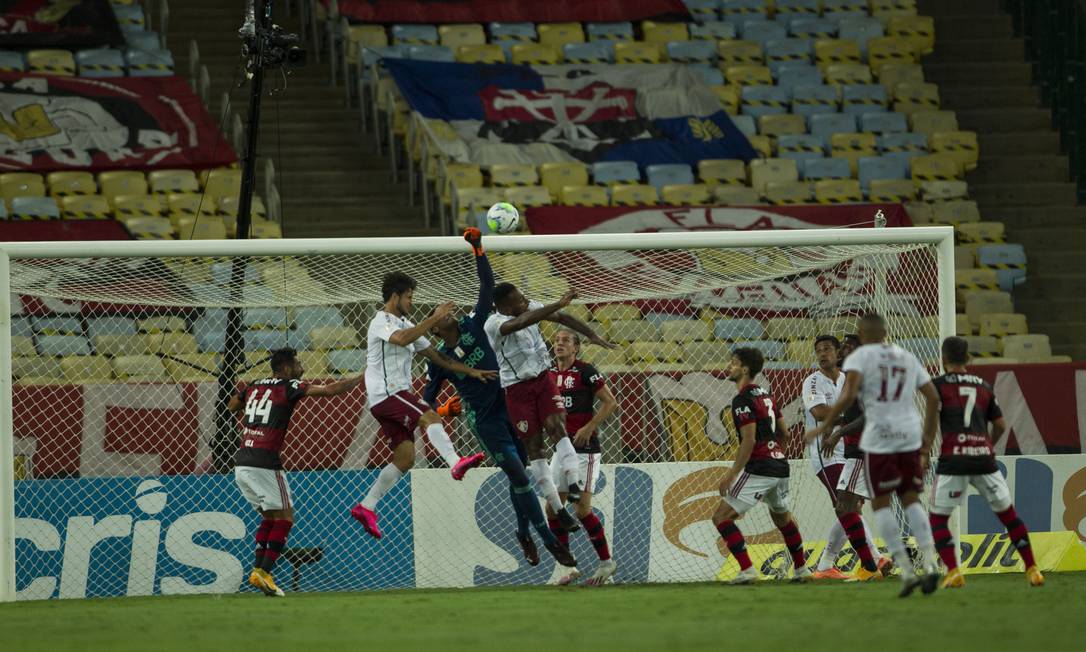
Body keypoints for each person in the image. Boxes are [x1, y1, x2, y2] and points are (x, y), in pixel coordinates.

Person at [423, 229, 577, 568]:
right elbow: (426, 400)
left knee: (521, 472)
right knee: (520, 478)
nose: (448, 311)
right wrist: (443, 412)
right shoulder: (438, 359)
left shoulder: (475, 325)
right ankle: (550, 541)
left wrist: (478, 248)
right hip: (486, 421)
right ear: (434, 328)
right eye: (438, 312)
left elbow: (485, 286)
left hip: (512, 404)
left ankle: (523, 532)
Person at [350, 271, 496, 539]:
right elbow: (402, 339)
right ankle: (454, 462)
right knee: (431, 416)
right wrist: (435, 318)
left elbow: (437, 356)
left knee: (405, 458)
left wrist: (470, 371)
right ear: (395, 297)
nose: (411, 302)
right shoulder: (380, 321)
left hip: (389, 397)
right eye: (408, 297)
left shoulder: (406, 322)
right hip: (388, 393)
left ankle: (366, 506)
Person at [804, 313, 942, 597]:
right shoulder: (905, 357)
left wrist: (830, 431)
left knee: (854, 505)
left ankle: (879, 566)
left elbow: (859, 410)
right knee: (908, 501)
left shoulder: (860, 365)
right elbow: (932, 397)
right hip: (908, 438)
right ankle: (928, 565)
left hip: (872, 444)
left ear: (864, 337)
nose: (843, 350)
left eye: (847, 344)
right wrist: (926, 445)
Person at [484, 278, 614, 536]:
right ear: (505, 307)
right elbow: (521, 322)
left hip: (543, 380)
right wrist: (558, 302)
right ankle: (559, 508)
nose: (525, 302)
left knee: (557, 427)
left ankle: (574, 483)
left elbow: (562, 317)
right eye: (519, 301)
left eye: (523, 298)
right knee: (535, 447)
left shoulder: (527, 307)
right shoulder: (494, 323)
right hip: (517, 390)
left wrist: (591, 334)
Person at [229, 348, 363, 597]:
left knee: (270, 517)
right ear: (286, 368)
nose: (301, 366)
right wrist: (360, 378)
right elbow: (330, 390)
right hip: (265, 461)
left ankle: (259, 572)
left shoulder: (254, 384)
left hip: (242, 460)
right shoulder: (290, 385)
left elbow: (232, 404)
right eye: (297, 363)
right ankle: (264, 572)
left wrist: (250, 411)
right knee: (285, 518)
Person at [928, 336, 1043, 588]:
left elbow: (930, 423)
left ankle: (953, 570)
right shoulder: (984, 386)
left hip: (953, 460)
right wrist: (987, 444)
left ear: (944, 359)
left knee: (937, 519)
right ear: (968, 359)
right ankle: (1033, 568)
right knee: (1009, 516)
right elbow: (1001, 425)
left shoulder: (937, 385)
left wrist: (923, 452)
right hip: (983, 458)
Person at [712, 347, 813, 585]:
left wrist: (731, 475)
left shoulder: (742, 400)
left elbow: (749, 440)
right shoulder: (766, 395)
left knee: (721, 518)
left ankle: (747, 569)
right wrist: (776, 454)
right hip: (780, 466)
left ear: (745, 369)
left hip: (760, 468)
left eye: (733, 363)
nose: (729, 366)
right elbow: (785, 433)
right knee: (783, 519)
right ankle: (801, 569)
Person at [811, 334, 887, 581]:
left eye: (848, 347)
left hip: (860, 451)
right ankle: (870, 562)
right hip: (859, 450)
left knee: (844, 506)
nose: (843, 350)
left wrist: (837, 434)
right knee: (848, 506)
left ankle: (868, 565)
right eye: (842, 346)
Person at [546, 328, 619, 586]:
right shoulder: (549, 374)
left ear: (576, 348)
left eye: (566, 340)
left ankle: (606, 562)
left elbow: (610, 402)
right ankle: (569, 566)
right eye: (556, 340)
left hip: (585, 450)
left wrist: (589, 428)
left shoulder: (586, 370)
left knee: (581, 509)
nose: (560, 344)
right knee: (553, 509)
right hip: (560, 448)